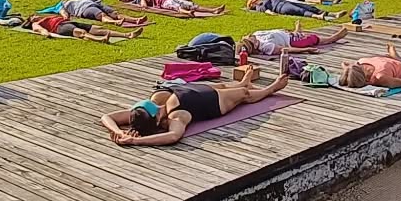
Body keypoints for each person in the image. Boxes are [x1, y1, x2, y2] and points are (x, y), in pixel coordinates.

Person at [98, 67, 290, 146]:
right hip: (213, 103)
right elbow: (174, 136)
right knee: (244, 96)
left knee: (223, 85)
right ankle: (272, 88)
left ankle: (243, 82)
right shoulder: (176, 117)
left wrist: (118, 132)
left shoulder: (140, 113)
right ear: (156, 118)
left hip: (194, 90)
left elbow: (107, 117)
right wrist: (135, 142)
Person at [239, 20, 348, 56]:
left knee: (295, 34)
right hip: (291, 42)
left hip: (286, 35)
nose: (249, 36)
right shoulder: (265, 47)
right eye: (250, 39)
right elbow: (285, 50)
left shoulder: (256, 35)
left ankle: (297, 31)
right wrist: (306, 49)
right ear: (254, 45)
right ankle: (333, 38)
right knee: (311, 39)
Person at [28, 14, 143, 42]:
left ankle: (127, 35)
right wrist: (46, 33)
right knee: (80, 32)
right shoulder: (35, 24)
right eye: (33, 16)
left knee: (98, 28)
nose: (35, 16)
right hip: (59, 27)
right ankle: (100, 40)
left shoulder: (47, 17)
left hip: (68, 22)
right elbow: (41, 30)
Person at [60, 0, 148, 27]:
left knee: (114, 13)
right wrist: (66, 17)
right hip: (84, 9)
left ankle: (135, 20)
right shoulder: (63, 5)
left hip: (95, 4)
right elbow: (64, 14)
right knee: (101, 15)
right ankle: (114, 22)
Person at [130, 0, 226, 18]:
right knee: (177, 7)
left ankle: (213, 10)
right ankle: (188, 13)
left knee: (193, 5)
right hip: (165, 3)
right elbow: (144, 6)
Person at [245, 0, 345, 20]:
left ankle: (333, 14)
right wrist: (272, 13)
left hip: (285, 2)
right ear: (252, 5)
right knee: (301, 11)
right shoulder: (259, 7)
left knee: (308, 7)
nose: (256, 0)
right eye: (254, 1)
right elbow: (266, 11)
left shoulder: (262, 1)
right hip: (282, 7)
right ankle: (318, 16)